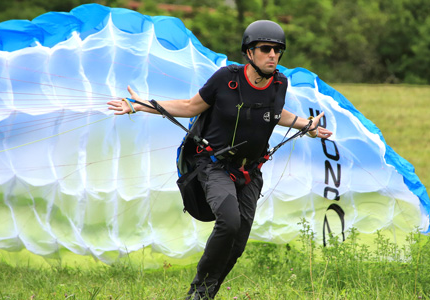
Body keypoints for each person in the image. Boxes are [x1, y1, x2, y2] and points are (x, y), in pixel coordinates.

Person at [108, 20, 332, 300]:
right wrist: (139, 106)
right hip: (213, 166)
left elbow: (276, 114)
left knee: (237, 243)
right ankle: (198, 292)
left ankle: (207, 293)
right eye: (265, 49)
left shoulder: (279, 84)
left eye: (278, 50)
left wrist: (305, 125)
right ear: (249, 52)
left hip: (250, 172)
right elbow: (190, 106)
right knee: (229, 221)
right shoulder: (226, 79)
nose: (273, 55)